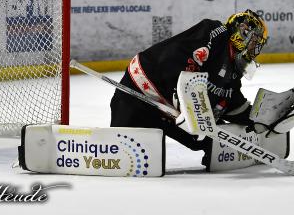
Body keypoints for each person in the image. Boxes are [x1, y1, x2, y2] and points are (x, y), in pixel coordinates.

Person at [110, 9, 268, 152]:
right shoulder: (214, 33)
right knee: (121, 149)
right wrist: (189, 107)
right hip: (137, 92)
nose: (255, 49)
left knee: (206, 140)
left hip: (166, 109)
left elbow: (231, 101)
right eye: (254, 42)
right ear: (242, 33)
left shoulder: (234, 66)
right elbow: (176, 61)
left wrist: (259, 119)